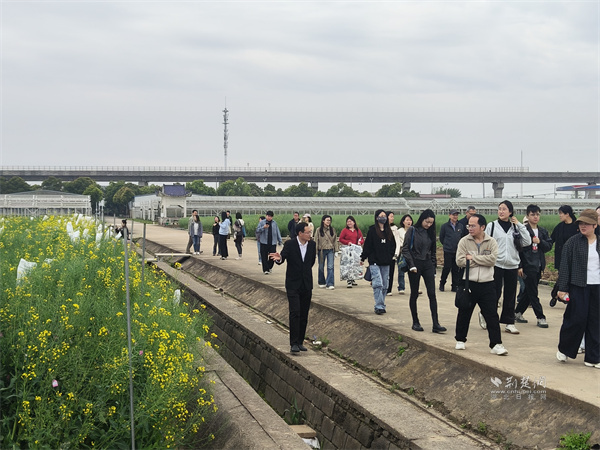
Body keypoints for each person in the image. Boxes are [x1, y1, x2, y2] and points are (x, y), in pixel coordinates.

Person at [455, 214, 508, 355]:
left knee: (491, 315)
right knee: (464, 312)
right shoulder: (464, 241)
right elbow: (460, 261)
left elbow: (492, 260)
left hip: (487, 283)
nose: (470, 228)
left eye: (473, 226)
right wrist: (481, 260)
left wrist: (472, 258)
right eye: (469, 225)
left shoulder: (491, 242)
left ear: (482, 227)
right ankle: (460, 339)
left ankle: (496, 344)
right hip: (469, 283)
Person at [556, 209, 600, 368]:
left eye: (587, 223)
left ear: (595, 225)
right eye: (581, 223)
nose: (583, 226)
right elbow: (565, 266)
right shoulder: (573, 242)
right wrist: (562, 288)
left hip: (597, 287)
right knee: (576, 318)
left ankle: (593, 357)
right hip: (578, 286)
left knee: (596, 322)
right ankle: (564, 349)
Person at [481, 200, 532, 334]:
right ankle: (487, 316)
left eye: (504, 209)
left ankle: (509, 322)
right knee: (494, 293)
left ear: (510, 212)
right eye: (500, 209)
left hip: (512, 265)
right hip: (496, 264)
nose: (501, 211)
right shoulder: (492, 226)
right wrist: (486, 261)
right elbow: (485, 244)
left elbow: (527, 241)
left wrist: (519, 224)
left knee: (510, 295)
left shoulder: (515, 228)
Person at [270, 222, 317, 353]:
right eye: (307, 232)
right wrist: (278, 259)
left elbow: (311, 262)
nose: (309, 235)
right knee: (295, 312)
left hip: (306, 283)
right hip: (293, 284)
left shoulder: (312, 245)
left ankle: (300, 341)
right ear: (300, 233)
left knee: (304, 313)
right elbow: (282, 257)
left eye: (310, 232)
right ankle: (294, 343)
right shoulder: (290, 244)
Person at [402, 209, 447, 333]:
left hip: (427, 264)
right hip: (415, 264)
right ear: (422, 219)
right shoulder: (413, 230)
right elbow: (405, 249)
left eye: (431, 223)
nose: (428, 224)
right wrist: (411, 265)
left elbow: (433, 252)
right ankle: (415, 322)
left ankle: (436, 323)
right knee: (414, 293)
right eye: (427, 222)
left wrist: (433, 267)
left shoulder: (431, 232)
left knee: (432, 294)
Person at [514, 205, 553, 328]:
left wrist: (540, 242)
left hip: (539, 265)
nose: (535, 217)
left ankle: (517, 312)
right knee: (533, 292)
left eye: (537, 214)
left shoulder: (542, 231)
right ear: (527, 216)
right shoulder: (523, 230)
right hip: (527, 265)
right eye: (532, 214)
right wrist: (519, 266)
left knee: (529, 291)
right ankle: (540, 317)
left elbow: (549, 246)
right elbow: (518, 249)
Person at [361, 210, 396, 315]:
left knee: (385, 285)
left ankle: (382, 303)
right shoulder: (372, 230)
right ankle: (379, 306)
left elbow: (393, 245)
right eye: (381, 216)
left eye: (384, 216)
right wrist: (363, 258)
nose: (383, 218)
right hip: (375, 262)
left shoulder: (388, 231)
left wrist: (390, 256)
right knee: (378, 284)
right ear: (376, 218)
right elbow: (368, 246)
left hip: (386, 262)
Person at [549, 205, 579, 307]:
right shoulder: (559, 227)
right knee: (562, 277)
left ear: (567, 214)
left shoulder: (577, 227)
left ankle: (556, 295)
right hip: (562, 258)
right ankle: (558, 295)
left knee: (571, 279)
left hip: (575, 258)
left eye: (561, 213)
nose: (560, 215)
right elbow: (551, 240)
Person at [438, 209, 465, 292]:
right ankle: (442, 283)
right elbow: (441, 238)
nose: (455, 216)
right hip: (448, 250)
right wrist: (447, 245)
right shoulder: (445, 226)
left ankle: (454, 286)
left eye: (456, 215)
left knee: (455, 269)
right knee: (447, 268)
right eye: (453, 215)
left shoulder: (460, 226)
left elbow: (462, 237)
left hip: (457, 251)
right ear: (449, 215)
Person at [313, 215, 339, 289]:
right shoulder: (318, 230)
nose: (328, 222)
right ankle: (321, 281)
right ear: (323, 221)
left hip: (330, 250)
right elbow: (316, 240)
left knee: (330, 266)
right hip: (321, 250)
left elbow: (335, 240)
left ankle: (330, 283)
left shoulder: (332, 230)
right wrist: (315, 252)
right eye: (327, 220)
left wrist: (336, 250)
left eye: (329, 220)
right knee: (321, 266)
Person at [339, 215, 364, 288]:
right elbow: (341, 239)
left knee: (354, 265)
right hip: (348, 251)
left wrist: (360, 242)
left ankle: (353, 278)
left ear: (354, 222)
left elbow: (361, 239)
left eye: (350, 221)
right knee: (348, 265)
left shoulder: (357, 230)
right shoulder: (345, 230)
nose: (349, 223)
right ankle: (349, 280)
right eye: (348, 222)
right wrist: (347, 242)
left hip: (355, 251)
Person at [396, 214, 413, 294]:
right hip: (402, 252)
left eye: (410, 220)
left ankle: (415, 288)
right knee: (401, 270)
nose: (409, 222)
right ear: (403, 222)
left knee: (413, 270)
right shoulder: (399, 231)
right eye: (407, 220)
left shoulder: (414, 230)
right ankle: (401, 287)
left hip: (412, 253)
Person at [387, 212, 400, 295]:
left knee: (391, 272)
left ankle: (389, 289)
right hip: (382, 254)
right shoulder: (380, 228)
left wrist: (396, 254)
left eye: (393, 217)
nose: (393, 218)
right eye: (391, 216)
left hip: (391, 253)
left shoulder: (395, 229)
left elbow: (398, 242)